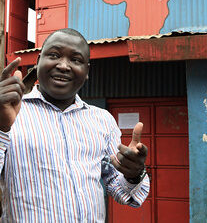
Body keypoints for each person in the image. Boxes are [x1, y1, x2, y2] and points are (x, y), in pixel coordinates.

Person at [0, 28, 149, 222]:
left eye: (76, 60)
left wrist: (134, 174)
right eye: (54, 55)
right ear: (37, 63)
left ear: (86, 71)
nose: (63, 66)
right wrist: (2, 127)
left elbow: (121, 192)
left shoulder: (102, 120)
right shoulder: (9, 114)